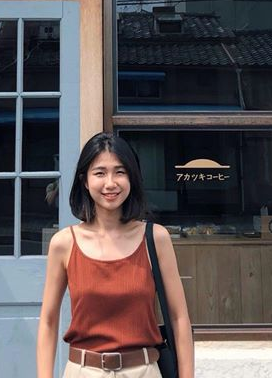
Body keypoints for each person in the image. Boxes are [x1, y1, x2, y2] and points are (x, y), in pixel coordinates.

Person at [37, 132, 194, 378]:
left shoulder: (155, 238)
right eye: (100, 173)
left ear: (132, 178)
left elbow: (179, 318)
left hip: (143, 371)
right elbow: (48, 321)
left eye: (120, 172)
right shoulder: (64, 243)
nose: (110, 183)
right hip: (83, 371)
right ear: (85, 181)